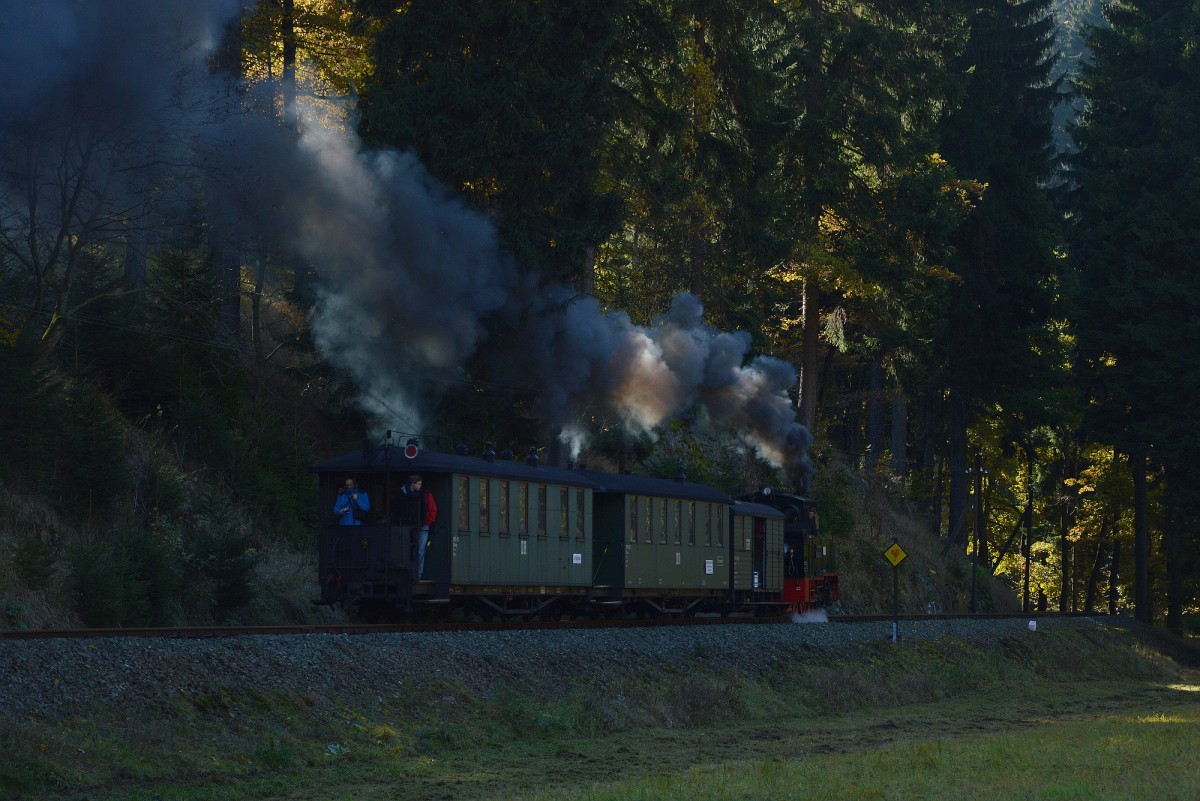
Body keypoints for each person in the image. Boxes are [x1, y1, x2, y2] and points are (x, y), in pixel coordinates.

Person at [394, 473, 437, 579]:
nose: (420, 486)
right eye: (418, 484)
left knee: (420, 549)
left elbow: (429, 510)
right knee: (407, 547)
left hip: (421, 525)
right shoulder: (402, 493)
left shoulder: (424, 494)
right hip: (407, 525)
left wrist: (425, 523)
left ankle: (418, 573)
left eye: (420, 484)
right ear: (412, 484)